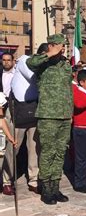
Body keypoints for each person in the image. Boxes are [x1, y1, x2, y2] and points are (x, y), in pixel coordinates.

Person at [26, 34, 72, 205]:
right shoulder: (42, 64)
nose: (63, 48)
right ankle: (46, 189)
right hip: (48, 115)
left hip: (64, 115)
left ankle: (55, 187)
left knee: (60, 152)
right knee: (47, 152)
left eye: (64, 46)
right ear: (52, 45)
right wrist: (49, 53)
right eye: (61, 45)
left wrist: (70, 114)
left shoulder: (65, 65)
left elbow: (69, 91)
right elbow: (30, 63)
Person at [3, 44, 45, 195]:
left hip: (34, 108)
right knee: (13, 146)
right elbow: (35, 77)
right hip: (18, 110)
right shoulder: (24, 61)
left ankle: (34, 179)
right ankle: (7, 179)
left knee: (34, 147)